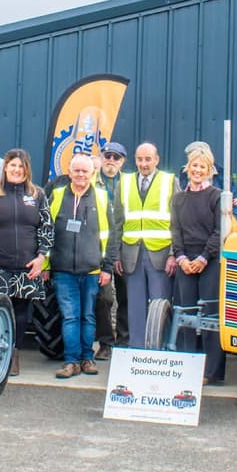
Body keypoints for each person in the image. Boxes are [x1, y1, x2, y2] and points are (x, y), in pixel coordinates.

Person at [0, 149, 53, 377]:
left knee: (20, 313)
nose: (16, 170)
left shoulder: (37, 195)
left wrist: (41, 258)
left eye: (21, 166)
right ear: (5, 167)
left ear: (26, 169)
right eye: (12, 165)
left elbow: (47, 228)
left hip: (27, 267)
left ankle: (12, 355)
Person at [47, 154, 120, 378]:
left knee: (88, 317)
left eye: (84, 171)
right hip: (63, 270)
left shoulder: (101, 197)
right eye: (76, 171)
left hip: (92, 270)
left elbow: (111, 235)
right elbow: (46, 232)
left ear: (92, 174)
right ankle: (71, 362)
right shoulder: (57, 195)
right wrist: (46, 265)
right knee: (70, 316)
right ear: (69, 172)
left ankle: (88, 359)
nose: (80, 175)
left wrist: (107, 268)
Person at [170, 146, 226, 385]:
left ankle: (211, 372)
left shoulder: (216, 196)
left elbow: (219, 231)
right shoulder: (178, 199)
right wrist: (181, 258)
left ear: (209, 170)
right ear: (188, 168)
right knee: (185, 313)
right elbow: (175, 231)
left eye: (202, 166)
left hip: (210, 260)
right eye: (194, 165)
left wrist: (203, 258)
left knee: (211, 315)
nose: (198, 170)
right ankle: (186, 367)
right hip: (185, 260)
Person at [119, 142, 180, 348]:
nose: (143, 164)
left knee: (160, 305)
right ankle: (137, 350)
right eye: (140, 159)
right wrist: (116, 255)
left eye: (148, 159)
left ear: (157, 160)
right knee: (135, 307)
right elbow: (117, 222)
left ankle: (161, 350)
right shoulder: (124, 182)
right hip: (132, 253)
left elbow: (178, 221)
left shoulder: (170, 181)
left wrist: (173, 253)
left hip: (160, 255)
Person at [95, 141, 128, 359]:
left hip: (126, 250)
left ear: (122, 161)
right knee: (104, 298)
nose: (111, 160)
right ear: (101, 157)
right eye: (108, 156)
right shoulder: (91, 181)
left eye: (116, 157)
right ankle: (106, 342)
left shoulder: (129, 183)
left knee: (126, 297)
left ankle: (124, 342)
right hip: (100, 249)